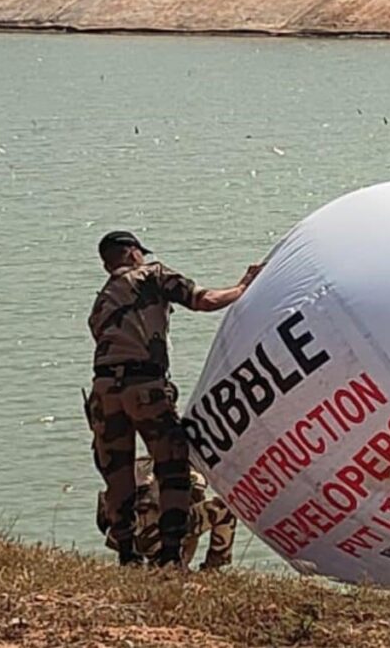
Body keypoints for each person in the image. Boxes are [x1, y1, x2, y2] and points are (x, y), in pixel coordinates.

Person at [85, 230, 260, 567]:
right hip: (144, 386)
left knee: (118, 473)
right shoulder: (153, 275)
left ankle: (128, 556)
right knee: (173, 468)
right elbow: (204, 300)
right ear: (133, 253)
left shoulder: (102, 300)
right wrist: (242, 287)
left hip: (104, 391)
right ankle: (169, 557)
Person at [97, 456, 237, 570]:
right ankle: (213, 567)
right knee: (225, 509)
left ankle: (142, 562)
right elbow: (190, 518)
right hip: (155, 527)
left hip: (118, 532)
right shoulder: (192, 472)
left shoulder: (144, 464)